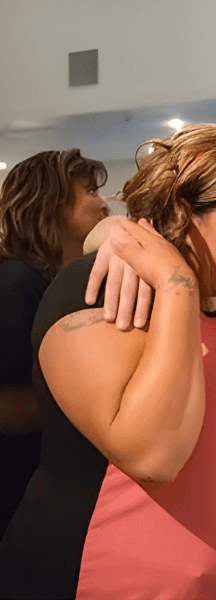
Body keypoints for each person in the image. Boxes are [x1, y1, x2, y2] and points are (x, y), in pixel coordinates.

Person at [0, 124, 216, 599]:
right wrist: (175, 286)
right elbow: (155, 455)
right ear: (182, 215)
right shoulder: (100, 288)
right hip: (105, 582)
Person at [0, 149, 109, 541]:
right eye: (89, 190)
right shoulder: (15, 282)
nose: (103, 202)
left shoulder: (62, 283)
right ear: (49, 201)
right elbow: (6, 405)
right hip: (15, 488)